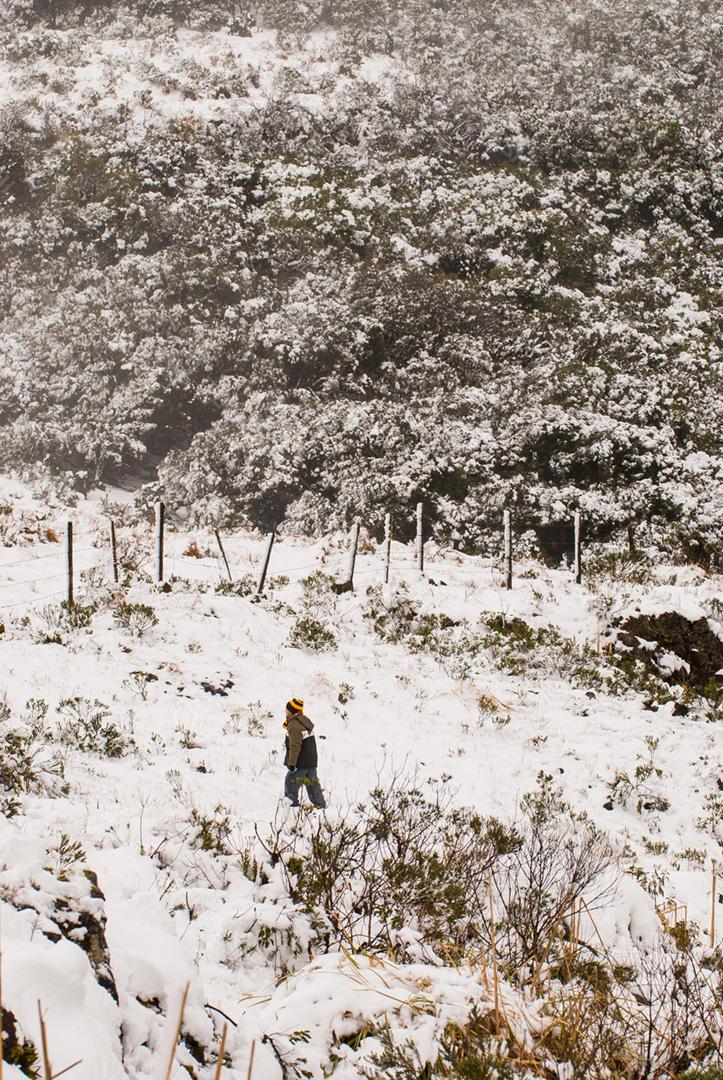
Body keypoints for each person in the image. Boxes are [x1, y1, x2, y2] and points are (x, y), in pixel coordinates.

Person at [283, 697, 326, 809]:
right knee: (312, 784)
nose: (285, 711)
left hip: (300, 762)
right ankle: (320, 804)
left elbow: (295, 746)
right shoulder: (304, 721)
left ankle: (291, 804)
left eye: (287, 709)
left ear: (292, 711)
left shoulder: (294, 725)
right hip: (311, 761)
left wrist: (292, 764)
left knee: (291, 781)